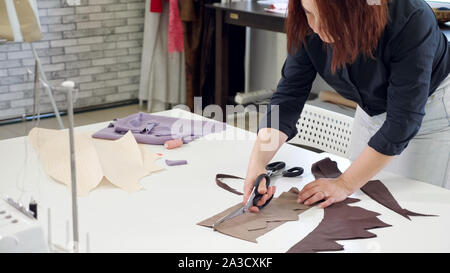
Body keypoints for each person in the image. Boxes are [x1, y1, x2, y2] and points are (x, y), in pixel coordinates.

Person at [243, 0, 450, 211]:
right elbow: (288, 97)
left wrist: (344, 183)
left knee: (413, 208)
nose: (316, 27)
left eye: (329, 19)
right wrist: (258, 163)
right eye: (309, 13)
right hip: (371, 109)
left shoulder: (412, 18)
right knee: (361, 203)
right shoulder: (308, 24)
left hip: (430, 114)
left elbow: (403, 121)